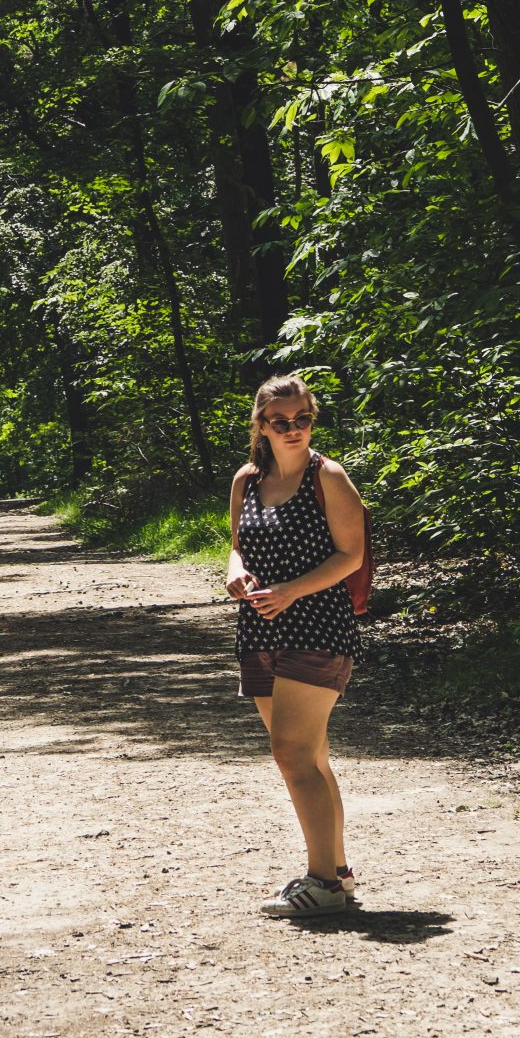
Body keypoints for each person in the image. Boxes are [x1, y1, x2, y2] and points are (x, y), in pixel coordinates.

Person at [226, 374, 366, 918]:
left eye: (302, 419)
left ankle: (320, 885)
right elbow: (238, 547)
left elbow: (350, 556)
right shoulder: (247, 480)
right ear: (261, 425)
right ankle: (338, 873)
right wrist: (236, 575)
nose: (293, 430)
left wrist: (289, 592)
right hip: (259, 627)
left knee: (290, 752)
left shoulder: (327, 476)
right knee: (311, 756)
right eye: (281, 422)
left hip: (317, 626)